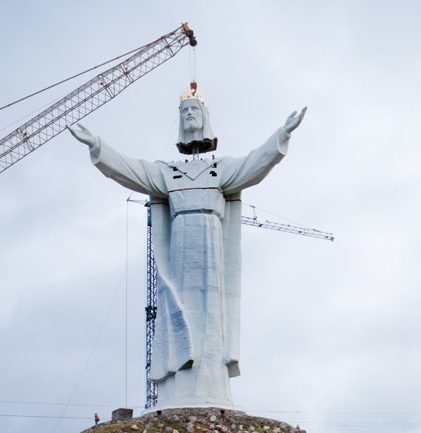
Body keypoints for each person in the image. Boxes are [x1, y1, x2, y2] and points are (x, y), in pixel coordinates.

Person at [69, 87, 306, 410]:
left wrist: (282, 134)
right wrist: (97, 145)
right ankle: (178, 387)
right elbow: (130, 169)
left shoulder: (220, 169)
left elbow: (254, 164)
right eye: (184, 112)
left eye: (194, 110)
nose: (189, 115)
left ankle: (212, 385)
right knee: (177, 312)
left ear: (205, 118)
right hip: (180, 247)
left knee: (211, 316)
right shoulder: (167, 172)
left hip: (211, 247)